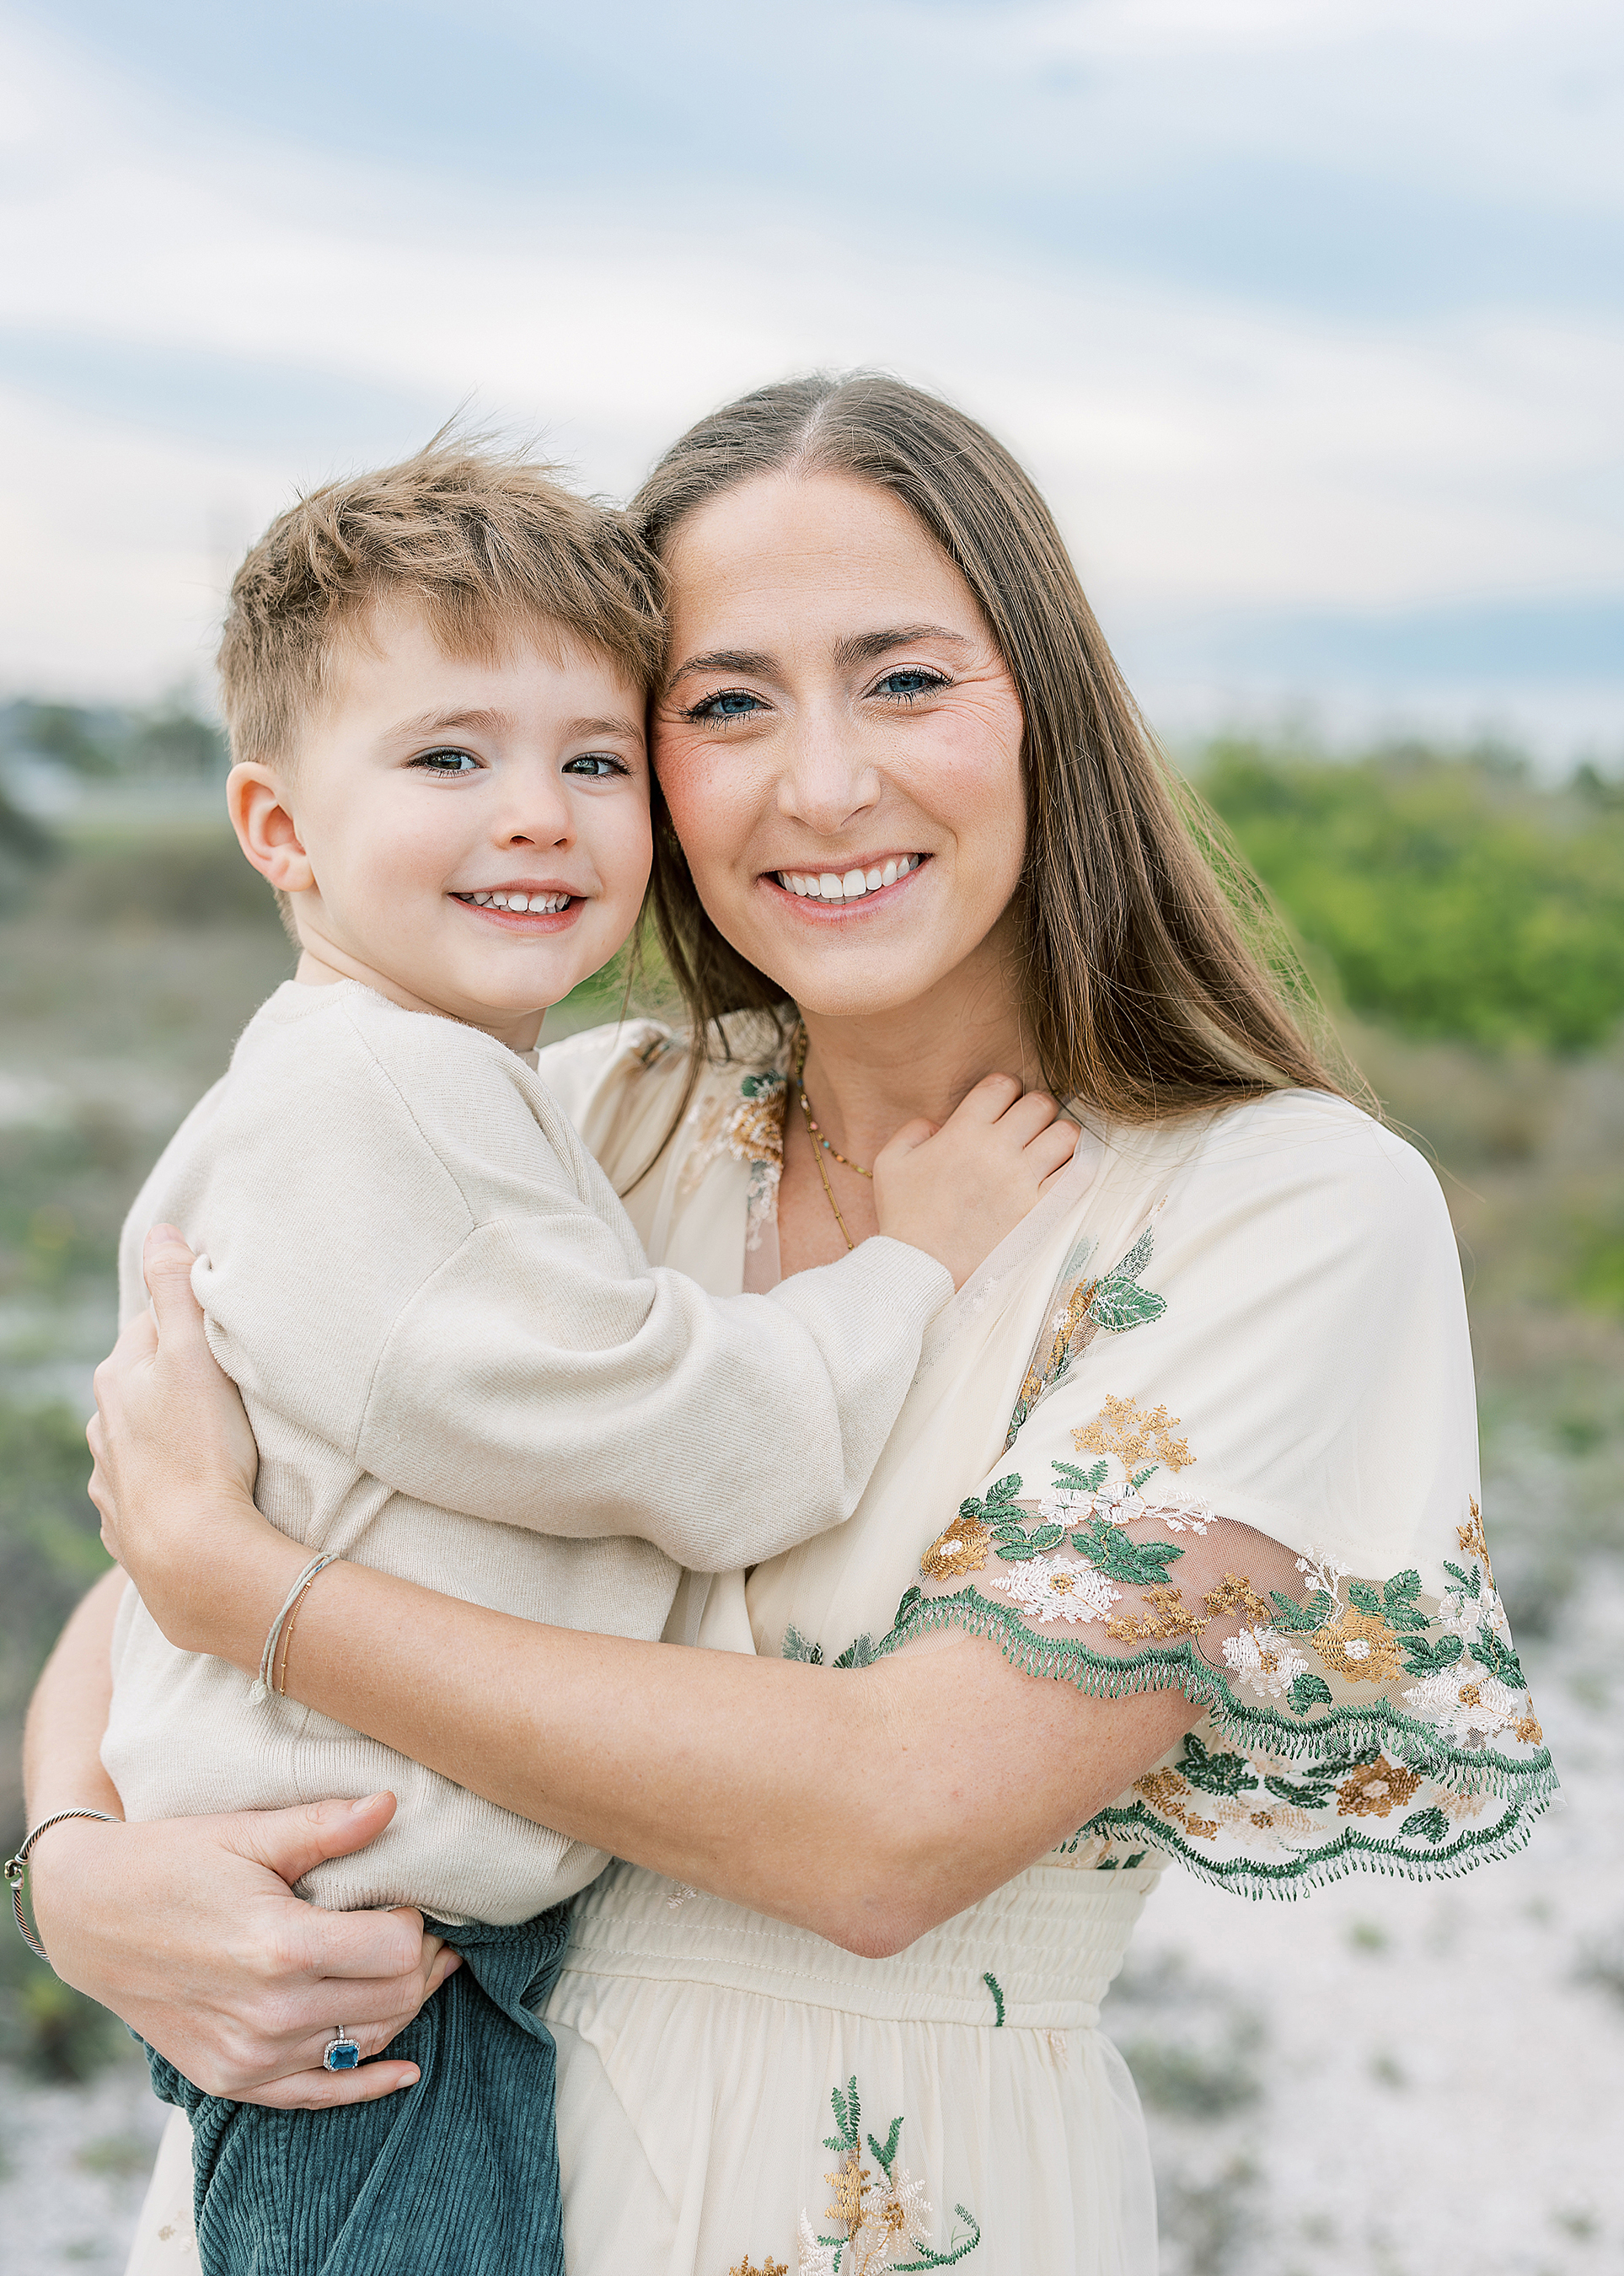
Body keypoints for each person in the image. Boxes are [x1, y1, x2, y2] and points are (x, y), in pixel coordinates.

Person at [28, 375, 1555, 2276]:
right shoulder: (580, 1116)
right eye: (726, 704)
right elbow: (160, 1565)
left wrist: (252, 1598)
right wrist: (82, 1874)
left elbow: (889, 1826)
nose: (819, 784)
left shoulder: (1282, 1212)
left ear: (1047, 716)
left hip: (877, 2201)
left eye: (904, 680)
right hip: (375, 2131)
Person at [81, 443, 1076, 2276]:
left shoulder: (465, 1088)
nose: (536, 812)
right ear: (278, 826)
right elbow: (698, 1444)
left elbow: (215, 1545)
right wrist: (912, 1267)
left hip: (385, 1945)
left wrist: (224, 1598)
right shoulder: (398, 1108)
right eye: (451, 756)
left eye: (592, 759)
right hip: (360, 1961)